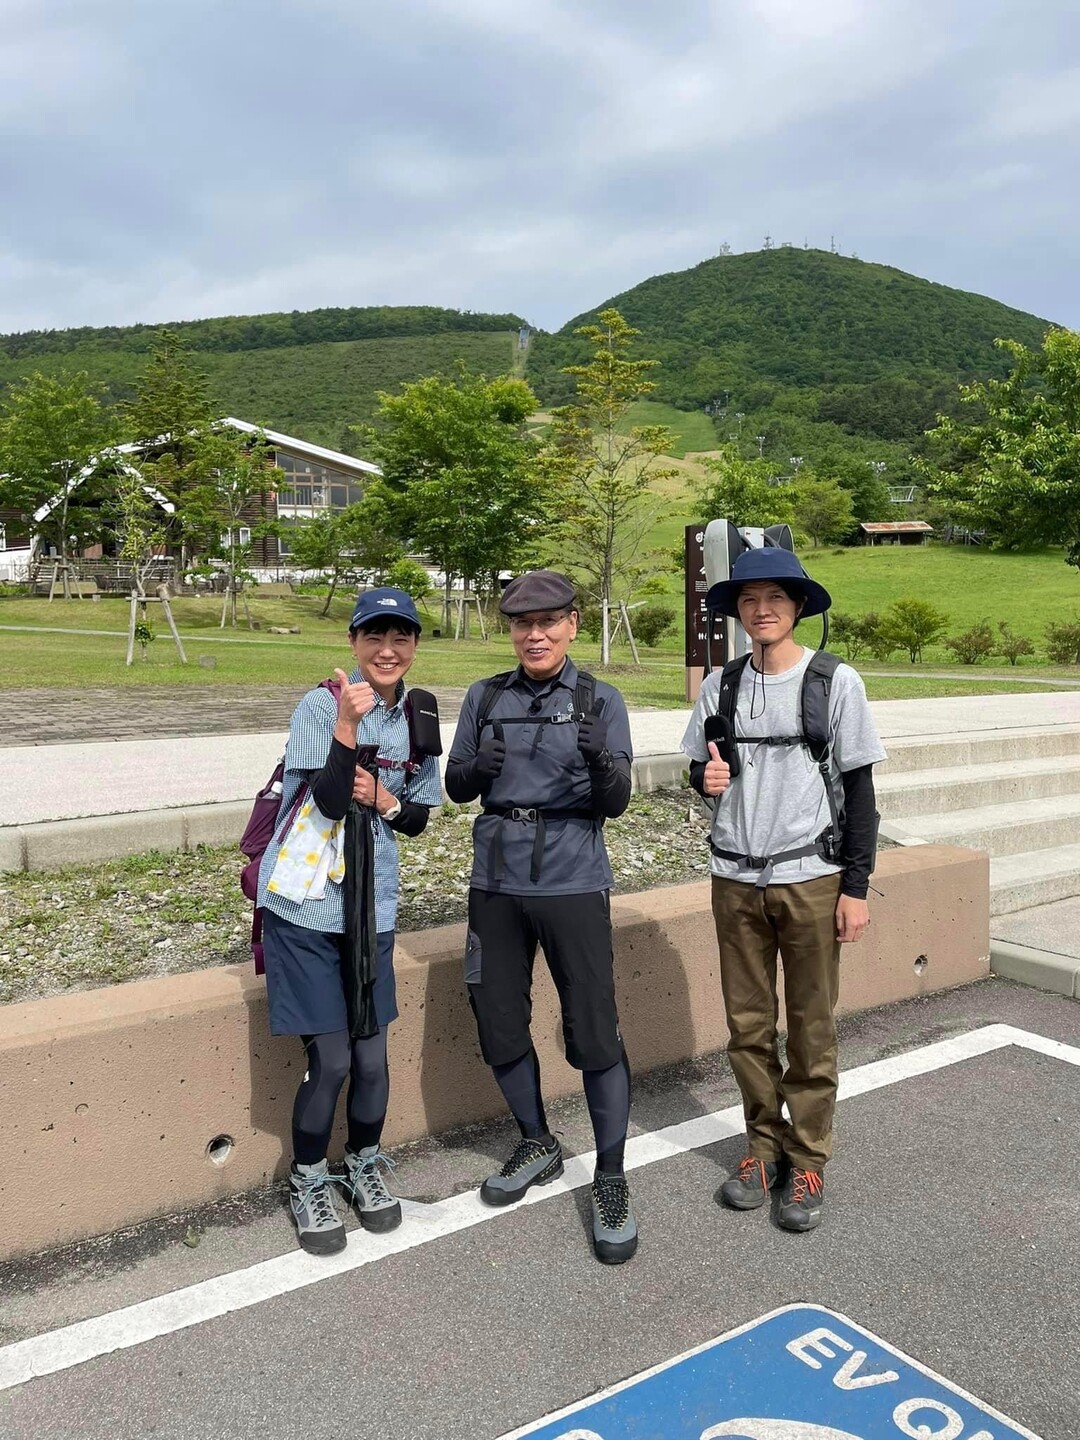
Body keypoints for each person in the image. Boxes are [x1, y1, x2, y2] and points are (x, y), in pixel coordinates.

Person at [681, 548, 885, 1232]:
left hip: (812, 878)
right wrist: (701, 780)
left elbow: (861, 791)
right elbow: (701, 767)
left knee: (813, 1026)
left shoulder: (834, 681)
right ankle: (762, 1147)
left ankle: (808, 1159)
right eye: (748, 599)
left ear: (797, 606)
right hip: (734, 876)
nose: (761, 609)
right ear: (737, 612)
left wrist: (856, 887)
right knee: (747, 1028)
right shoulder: (722, 685)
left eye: (774, 597)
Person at [444, 570, 638, 1265]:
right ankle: (536, 1139)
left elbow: (616, 800)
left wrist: (601, 762)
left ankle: (611, 1177)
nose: (535, 634)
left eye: (549, 622)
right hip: (495, 879)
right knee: (495, 1015)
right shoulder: (484, 696)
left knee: (593, 1025)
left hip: (572, 878)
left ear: (573, 626)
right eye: (523, 624)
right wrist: (477, 767)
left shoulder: (600, 699)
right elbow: (456, 784)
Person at [257, 587, 442, 1255]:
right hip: (306, 909)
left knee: (371, 1061)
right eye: (374, 636)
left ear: (415, 645)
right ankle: (308, 1179)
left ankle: (363, 1165)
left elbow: (419, 816)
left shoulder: (421, 715)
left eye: (401, 637)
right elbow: (331, 803)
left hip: (371, 908)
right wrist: (344, 728)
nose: (387, 649)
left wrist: (389, 797)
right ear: (354, 643)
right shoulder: (320, 703)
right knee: (331, 1061)